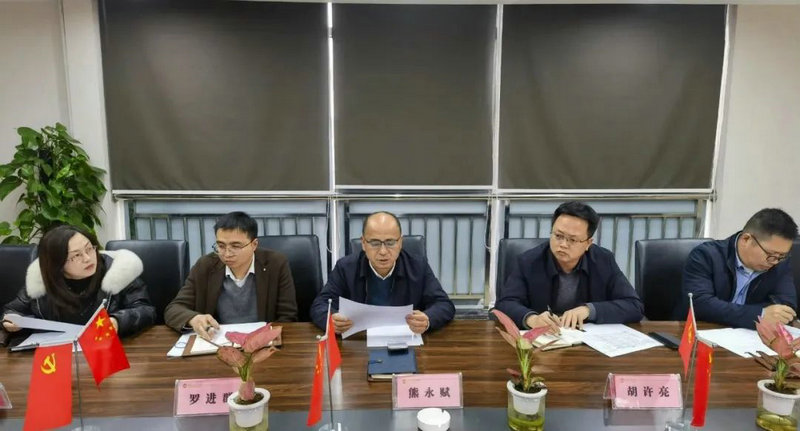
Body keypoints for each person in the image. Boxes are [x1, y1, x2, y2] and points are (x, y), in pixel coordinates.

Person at [495, 201, 643, 331]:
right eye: (558, 236)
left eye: (572, 240)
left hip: (587, 342)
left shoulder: (604, 260)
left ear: (588, 243)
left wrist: (588, 310)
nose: (563, 244)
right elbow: (505, 304)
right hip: (543, 340)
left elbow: (634, 306)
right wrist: (532, 319)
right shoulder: (528, 261)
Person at [310, 211, 455, 334]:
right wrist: (331, 320)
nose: (383, 251)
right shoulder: (346, 268)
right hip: (360, 344)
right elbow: (320, 305)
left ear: (400, 242)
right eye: (375, 243)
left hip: (406, 342)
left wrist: (427, 319)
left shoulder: (417, 266)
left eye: (390, 243)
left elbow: (443, 304)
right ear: (363, 243)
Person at [2, 225, 155, 337]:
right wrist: (12, 321)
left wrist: (118, 321)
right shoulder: (41, 280)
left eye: (89, 248)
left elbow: (145, 310)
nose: (87, 258)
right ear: (57, 264)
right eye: (76, 255)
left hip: (105, 352)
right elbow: (12, 311)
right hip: (56, 355)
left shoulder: (118, 271)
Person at [164, 211, 297, 338]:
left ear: (254, 244)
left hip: (262, 341)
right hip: (217, 341)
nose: (227, 254)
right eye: (221, 246)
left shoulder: (276, 264)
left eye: (236, 246)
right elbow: (173, 309)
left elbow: (287, 316)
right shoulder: (205, 266)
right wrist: (193, 319)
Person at [683, 208, 797, 329]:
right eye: (770, 254)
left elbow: (786, 306)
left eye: (782, 255)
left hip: (751, 336)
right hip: (702, 331)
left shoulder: (780, 263)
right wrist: (760, 314)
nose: (774, 261)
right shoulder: (706, 255)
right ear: (746, 239)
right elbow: (700, 305)